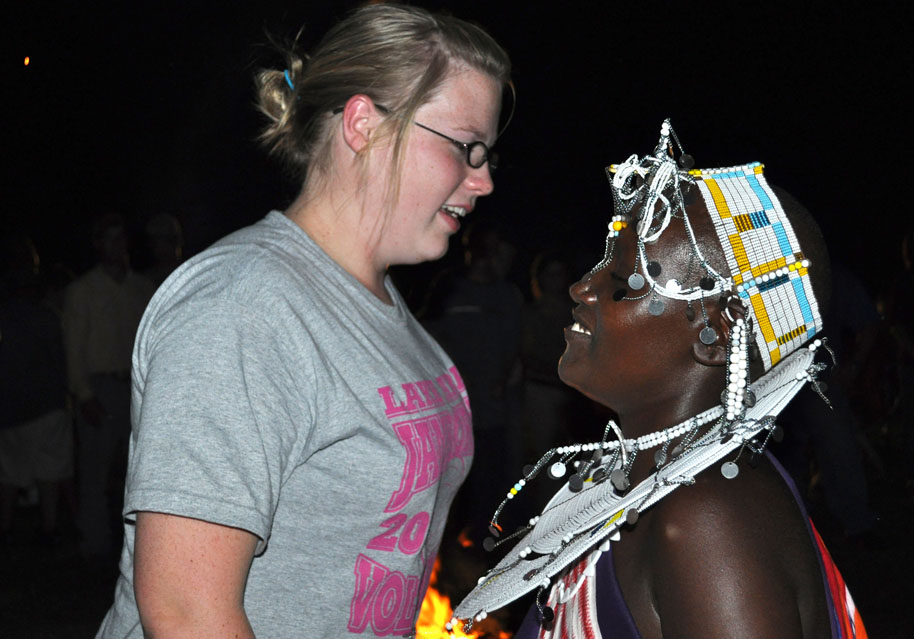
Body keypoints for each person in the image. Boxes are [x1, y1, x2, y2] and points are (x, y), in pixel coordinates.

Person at [96, 4, 511, 638]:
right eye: (467, 147)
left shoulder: (404, 329)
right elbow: (185, 615)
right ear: (365, 124)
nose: (482, 181)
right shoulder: (244, 305)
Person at [453, 121, 866, 638]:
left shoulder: (707, 521)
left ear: (714, 337)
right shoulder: (658, 481)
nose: (583, 287)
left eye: (622, 280)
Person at [62, 213, 156, 559]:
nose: (119, 245)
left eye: (122, 238)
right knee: (95, 472)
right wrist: (83, 394)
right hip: (100, 387)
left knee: (140, 474)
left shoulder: (141, 287)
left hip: (136, 387)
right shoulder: (82, 290)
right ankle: (94, 546)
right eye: (110, 238)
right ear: (98, 245)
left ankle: (139, 552)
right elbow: (73, 348)